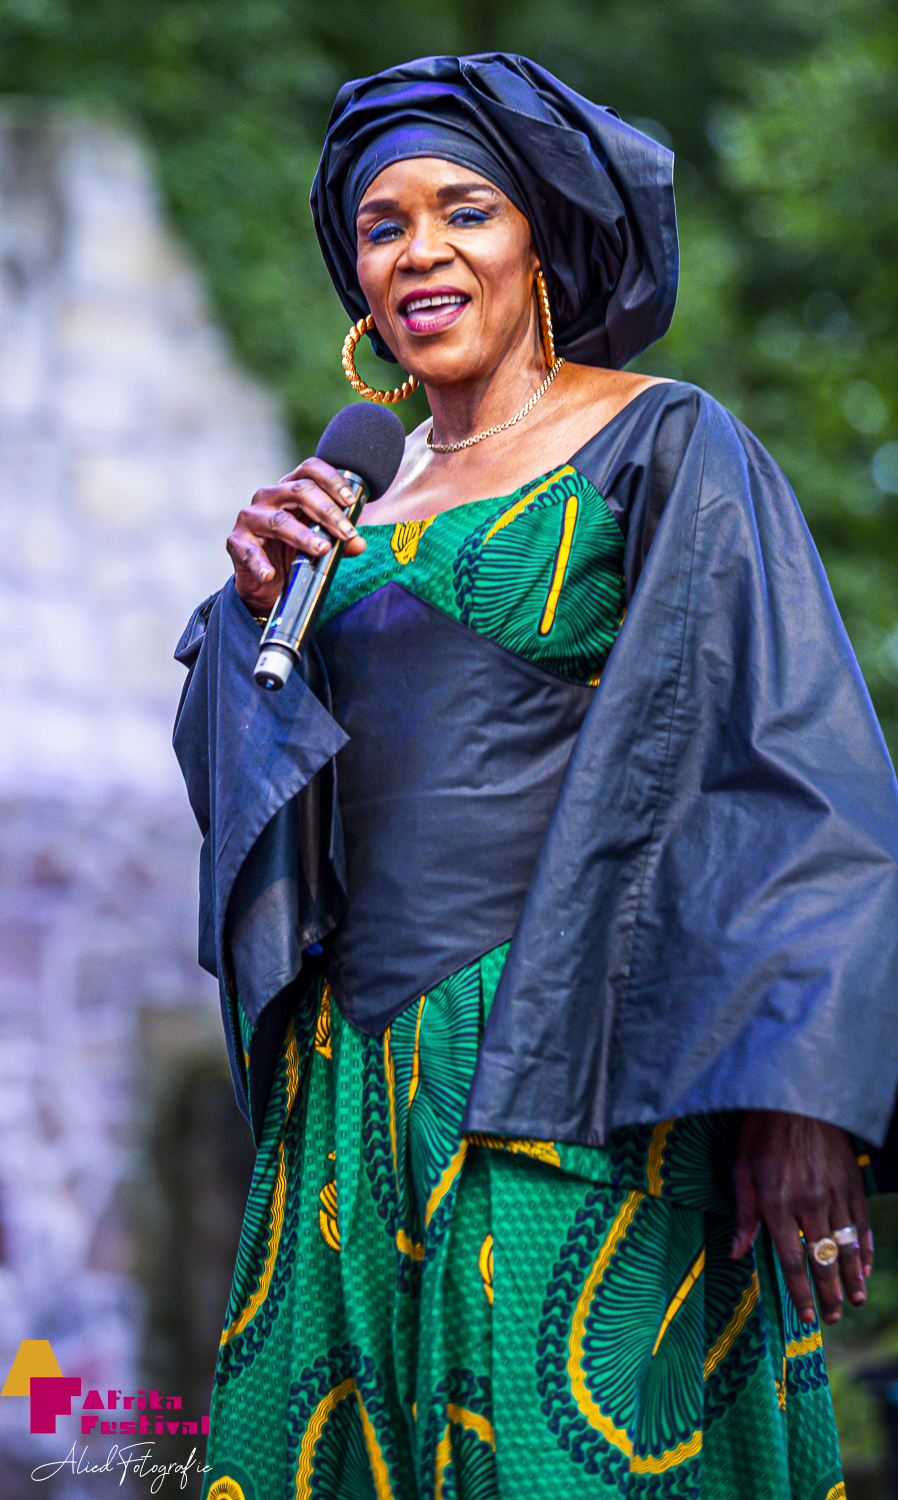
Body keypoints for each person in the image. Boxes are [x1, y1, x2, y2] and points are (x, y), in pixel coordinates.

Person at [173, 54, 898, 1500]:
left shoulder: (661, 440)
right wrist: (251, 616)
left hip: (577, 1055)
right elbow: (250, 807)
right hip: (353, 1085)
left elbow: (785, 751)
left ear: (540, 240)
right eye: (381, 226)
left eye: (464, 210)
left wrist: (794, 1089)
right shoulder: (346, 508)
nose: (418, 251)